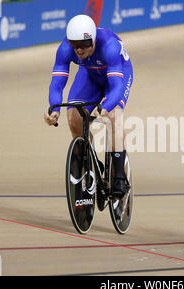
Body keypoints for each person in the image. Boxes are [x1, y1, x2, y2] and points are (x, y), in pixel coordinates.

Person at [44, 14, 133, 198]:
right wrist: (54, 109)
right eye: (74, 44)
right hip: (90, 75)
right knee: (74, 117)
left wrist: (105, 107)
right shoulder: (65, 49)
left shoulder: (109, 46)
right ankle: (93, 163)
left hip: (118, 74)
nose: (78, 49)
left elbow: (116, 87)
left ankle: (119, 176)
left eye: (84, 44)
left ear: (92, 40)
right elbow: (57, 83)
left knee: (113, 116)